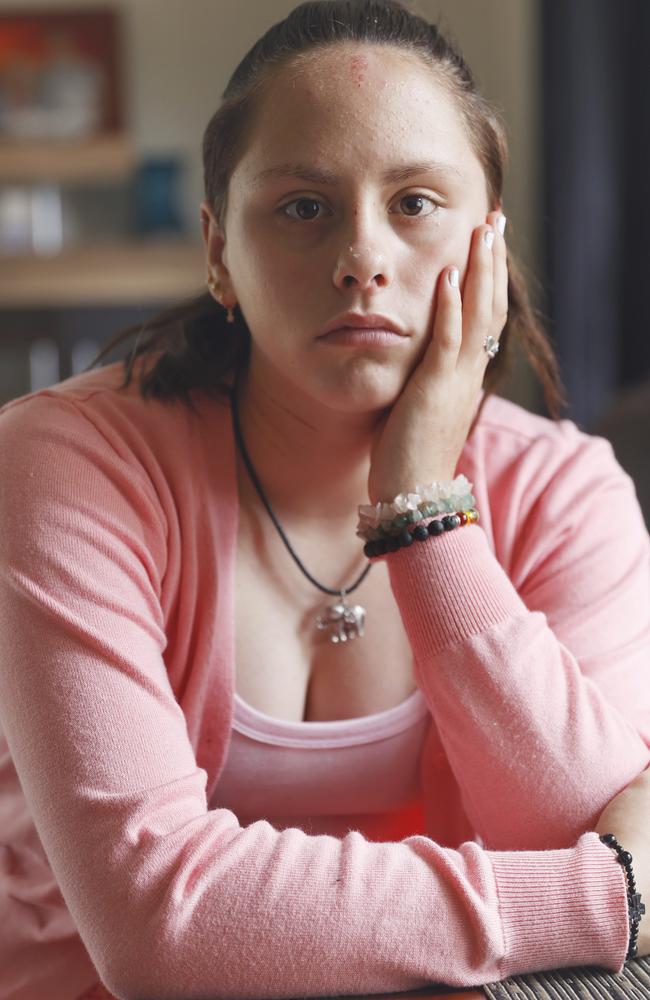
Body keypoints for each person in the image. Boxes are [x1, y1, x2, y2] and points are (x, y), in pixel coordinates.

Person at [0, 2, 649, 998]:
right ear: (219, 251)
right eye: (302, 207)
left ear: (488, 241)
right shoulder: (68, 461)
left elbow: (579, 818)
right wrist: (600, 900)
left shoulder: (565, 493)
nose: (361, 258)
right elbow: (158, 929)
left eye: (415, 203)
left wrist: (422, 509)